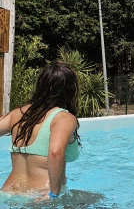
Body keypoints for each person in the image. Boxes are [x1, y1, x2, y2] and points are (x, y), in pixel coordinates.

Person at [0, 61, 81, 199]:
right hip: (40, 197)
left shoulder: (18, 114)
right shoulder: (63, 118)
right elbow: (55, 152)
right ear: (71, 89)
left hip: (7, 195)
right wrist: (54, 194)